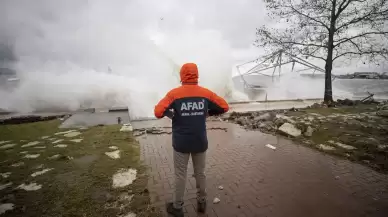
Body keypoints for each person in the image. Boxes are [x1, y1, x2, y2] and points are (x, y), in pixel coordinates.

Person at [154, 63, 229, 216]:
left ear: (182, 76)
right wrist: (208, 111)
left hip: (181, 143)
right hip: (200, 142)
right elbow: (224, 107)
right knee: (200, 173)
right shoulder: (205, 93)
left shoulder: (174, 94)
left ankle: (177, 207)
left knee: (180, 175)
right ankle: (202, 203)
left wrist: (170, 114)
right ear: (196, 75)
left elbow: (157, 112)